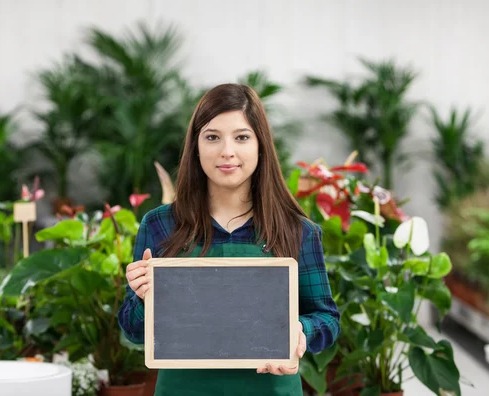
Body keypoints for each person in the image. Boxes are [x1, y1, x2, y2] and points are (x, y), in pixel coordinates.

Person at [118, 83, 340, 396]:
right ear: (195, 145)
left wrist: (300, 332)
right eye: (212, 137)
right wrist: (141, 298)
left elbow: (327, 319)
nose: (227, 151)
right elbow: (133, 331)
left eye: (241, 137)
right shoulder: (160, 225)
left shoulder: (297, 230)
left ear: (260, 144)